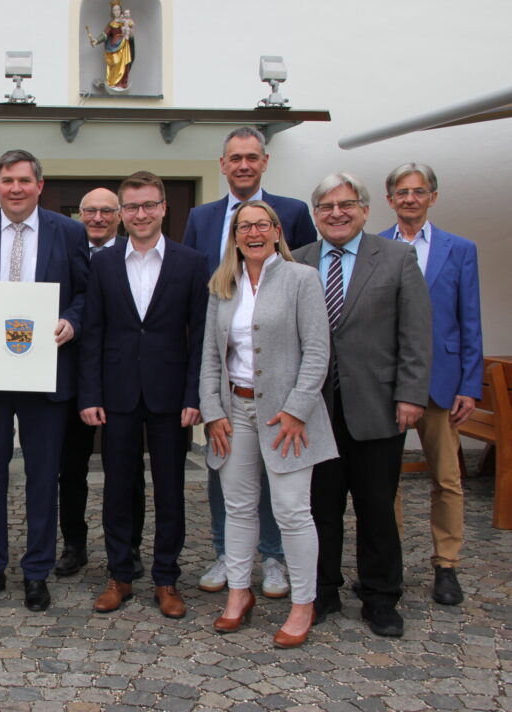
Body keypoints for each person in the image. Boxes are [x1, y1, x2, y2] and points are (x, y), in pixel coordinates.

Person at [0, 149, 89, 611]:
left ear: (39, 185)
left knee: (43, 477)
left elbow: (85, 294)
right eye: (7, 180)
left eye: (24, 180)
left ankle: (36, 572)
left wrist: (72, 321)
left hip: (45, 370)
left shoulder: (69, 232)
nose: (15, 188)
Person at [293, 173, 431, 637]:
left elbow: (416, 333)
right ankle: (322, 591)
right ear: (315, 215)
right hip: (315, 410)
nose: (336, 213)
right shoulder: (297, 261)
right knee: (320, 508)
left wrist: (411, 394)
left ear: (365, 210)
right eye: (326, 206)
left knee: (376, 507)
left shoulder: (396, 258)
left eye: (346, 204)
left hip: (378, 406)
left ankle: (380, 597)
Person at [184, 126, 317, 598]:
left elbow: (302, 283)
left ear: (264, 162)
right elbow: (197, 297)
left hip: (279, 382)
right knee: (228, 477)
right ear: (222, 165)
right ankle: (227, 553)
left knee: (278, 481)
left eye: (251, 157)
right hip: (226, 377)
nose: (243, 165)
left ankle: (274, 557)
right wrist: (205, 396)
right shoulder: (200, 217)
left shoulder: (293, 212)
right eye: (235, 158)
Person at [199, 200, 337, 648]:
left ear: (277, 232)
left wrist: (298, 409)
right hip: (234, 412)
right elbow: (210, 357)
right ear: (235, 237)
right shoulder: (223, 284)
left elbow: (317, 351)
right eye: (244, 227)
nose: (253, 233)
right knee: (238, 507)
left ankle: (303, 603)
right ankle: (239, 593)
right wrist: (212, 411)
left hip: (287, 416)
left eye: (261, 225)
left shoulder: (302, 279)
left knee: (292, 510)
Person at [78, 171, 206, 617]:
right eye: (132, 207)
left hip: (171, 395)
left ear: (164, 208)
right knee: (118, 488)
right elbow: (92, 332)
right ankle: (120, 574)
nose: (141, 214)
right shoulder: (103, 263)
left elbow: (201, 335)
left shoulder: (191, 262)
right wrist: (89, 394)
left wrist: (195, 395)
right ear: (122, 213)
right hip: (117, 394)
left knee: (170, 489)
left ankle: (167, 579)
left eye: (149, 204)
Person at [379, 163, 482, 606]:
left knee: (447, 478)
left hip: (441, 381)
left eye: (418, 191)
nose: (410, 199)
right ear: (390, 200)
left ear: (432, 197)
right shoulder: (376, 247)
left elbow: (469, 319)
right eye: (402, 192)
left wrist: (469, 384)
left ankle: (447, 565)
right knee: (385, 480)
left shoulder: (460, 250)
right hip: (388, 382)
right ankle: (390, 562)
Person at [55, 187, 146, 580]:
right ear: (79, 214)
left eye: (106, 211)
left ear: (120, 216)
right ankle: (73, 544)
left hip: (123, 377)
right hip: (71, 375)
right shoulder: (63, 252)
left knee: (127, 468)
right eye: (89, 211)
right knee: (70, 467)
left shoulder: (134, 254)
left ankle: (129, 546)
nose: (97, 218)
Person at [88, 0, 134, 91]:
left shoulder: (124, 21)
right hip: (114, 47)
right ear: (112, 12)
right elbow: (105, 34)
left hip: (124, 45)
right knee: (115, 64)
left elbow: (131, 32)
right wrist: (96, 40)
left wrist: (129, 33)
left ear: (120, 10)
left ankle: (122, 84)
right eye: (114, 10)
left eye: (118, 9)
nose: (116, 11)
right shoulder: (111, 24)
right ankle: (113, 84)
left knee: (124, 65)